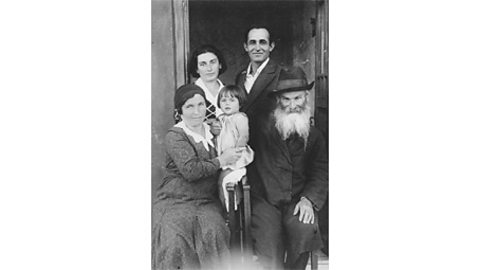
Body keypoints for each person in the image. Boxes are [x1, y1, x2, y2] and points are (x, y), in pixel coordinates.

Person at [152, 84, 242, 270]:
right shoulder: (175, 135)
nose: (196, 112)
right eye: (189, 107)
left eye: (200, 105)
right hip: (175, 200)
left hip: (206, 201)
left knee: (213, 231)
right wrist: (221, 160)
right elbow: (191, 170)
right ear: (179, 112)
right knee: (175, 239)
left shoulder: (214, 131)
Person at [248, 67, 328, 270]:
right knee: (268, 247)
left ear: (306, 98)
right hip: (266, 200)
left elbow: (320, 171)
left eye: (298, 98)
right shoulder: (260, 128)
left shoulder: (315, 136)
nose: (293, 105)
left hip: (297, 199)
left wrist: (309, 199)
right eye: (287, 99)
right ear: (278, 100)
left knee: (304, 230)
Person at [235, 26, 282, 134]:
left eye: (262, 42)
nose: (257, 48)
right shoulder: (240, 76)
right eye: (252, 42)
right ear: (246, 47)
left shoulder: (281, 74)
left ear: (271, 46)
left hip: (269, 143)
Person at [215, 85, 254, 211]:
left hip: (236, 158)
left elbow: (243, 136)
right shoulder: (221, 118)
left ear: (240, 103)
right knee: (220, 182)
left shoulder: (240, 118)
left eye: (232, 100)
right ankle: (229, 207)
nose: (227, 103)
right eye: (223, 100)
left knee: (224, 181)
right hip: (224, 158)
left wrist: (235, 152)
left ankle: (230, 210)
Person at [187, 44, 227, 136]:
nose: (209, 68)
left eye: (213, 62)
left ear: (220, 64)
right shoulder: (188, 94)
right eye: (203, 64)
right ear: (197, 69)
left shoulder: (230, 92)